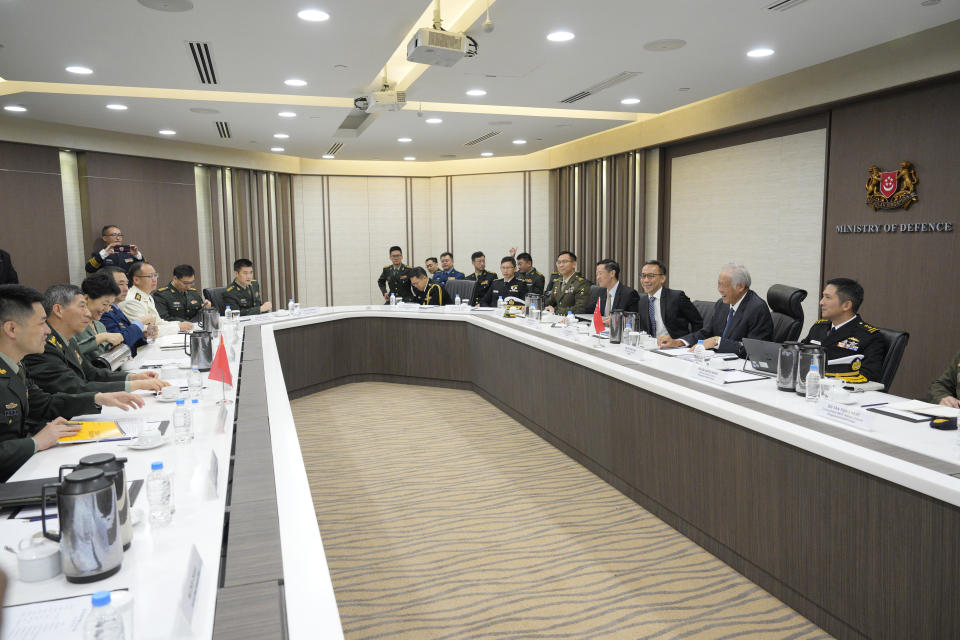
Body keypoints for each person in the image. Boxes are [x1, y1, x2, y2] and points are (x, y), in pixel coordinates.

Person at [0, 285, 144, 481]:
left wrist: (98, 398)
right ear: (11, 329)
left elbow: (44, 403)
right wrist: (35, 442)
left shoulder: (14, 366)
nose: (47, 331)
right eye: (42, 323)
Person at [24, 285, 169, 395]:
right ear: (58, 310)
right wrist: (136, 386)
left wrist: (133, 378)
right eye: (82, 307)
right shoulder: (43, 345)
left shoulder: (68, 340)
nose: (88, 314)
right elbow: (75, 387)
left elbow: (92, 373)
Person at [659, 263, 773, 358]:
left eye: (724, 286)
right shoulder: (721, 304)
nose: (720, 290)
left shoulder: (757, 308)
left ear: (740, 286)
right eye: (718, 284)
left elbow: (755, 351)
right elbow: (705, 333)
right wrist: (678, 342)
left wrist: (718, 342)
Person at [801, 278, 886, 384]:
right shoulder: (819, 327)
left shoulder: (869, 336)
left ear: (846, 305)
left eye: (828, 298)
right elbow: (801, 355)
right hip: (809, 386)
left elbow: (868, 377)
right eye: (823, 297)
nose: (821, 302)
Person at [120, 262, 194, 335]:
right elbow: (145, 330)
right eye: (150, 276)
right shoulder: (132, 300)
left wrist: (179, 324)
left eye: (155, 275)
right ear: (136, 280)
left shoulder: (147, 296)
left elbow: (158, 322)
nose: (154, 279)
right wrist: (178, 327)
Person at [635, 260, 702, 340]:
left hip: (675, 347)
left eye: (651, 276)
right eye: (643, 276)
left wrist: (690, 342)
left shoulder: (677, 297)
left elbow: (697, 322)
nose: (645, 280)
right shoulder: (641, 301)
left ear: (662, 278)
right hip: (650, 346)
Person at [99, 267, 152, 356]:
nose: (126, 289)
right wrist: (139, 322)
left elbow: (127, 335)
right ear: (106, 285)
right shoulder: (103, 312)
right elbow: (121, 343)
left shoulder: (116, 308)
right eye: (121, 284)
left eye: (127, 284)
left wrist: (143, 336)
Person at [75, 273, 123, 359]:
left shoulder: (100, 325)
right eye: (105, 304)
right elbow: (70, 354)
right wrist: (100, 338)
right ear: (86, 299)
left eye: (110, 305)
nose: (107, 310)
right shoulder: (72, 325)